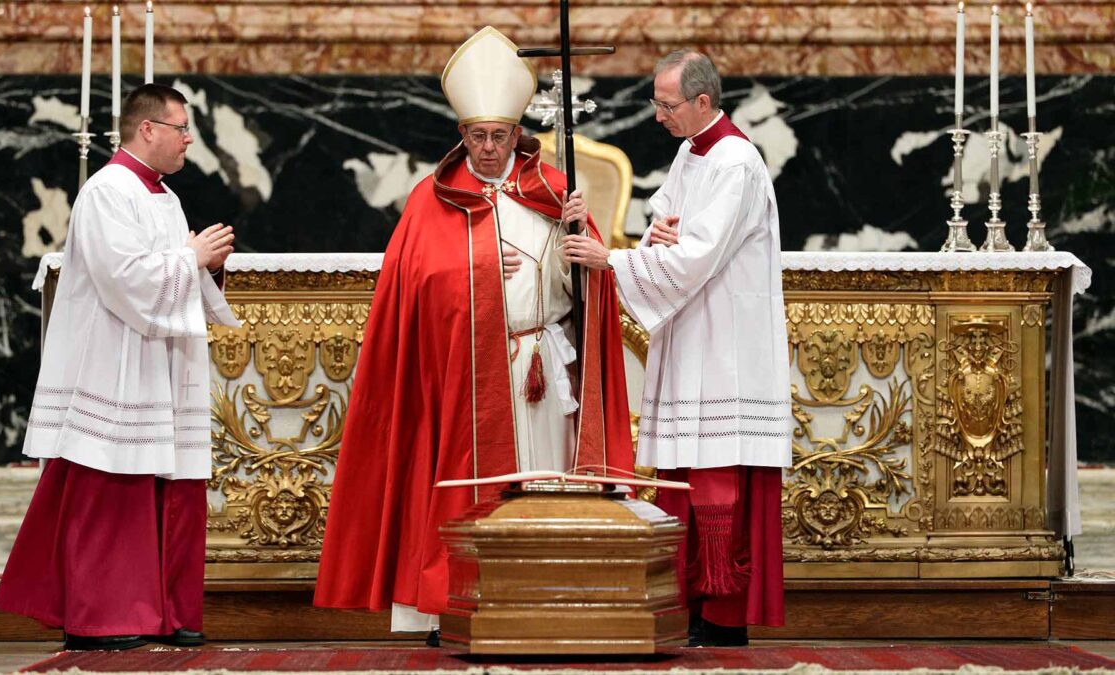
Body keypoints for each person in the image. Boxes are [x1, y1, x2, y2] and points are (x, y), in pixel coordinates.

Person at [313, 26, 634, 645]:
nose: (488, 148)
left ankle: (547, 601)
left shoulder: (556, 193)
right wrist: (478, 270)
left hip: (545, 367)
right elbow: (415, 295)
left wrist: (581, 255)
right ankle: (452, 605)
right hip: (465, 377)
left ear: (519, 133)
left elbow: (588, 289)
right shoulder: (431, 200)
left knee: (541, 490)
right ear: (461, 135)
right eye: (477, 136)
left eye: (500, 135)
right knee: (470, 493)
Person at [0, 83, 240, 651]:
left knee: (167, 483)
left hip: (157, 361)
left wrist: (204, 267)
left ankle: (163, 611)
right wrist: (191, 258)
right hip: (116, 363)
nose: (188, 139)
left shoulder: (163, 196)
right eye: (180, 128)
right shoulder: (106, 191)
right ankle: (104, 615)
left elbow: (168, 271)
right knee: (114, 485)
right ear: (146, 129)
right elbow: (123, 278)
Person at [562, 51, 790, 647]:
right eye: (657, 104)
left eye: (667, 105)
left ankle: (722, 612)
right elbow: (668, 218)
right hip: (691, 331)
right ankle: (688, 601)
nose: (658, 116)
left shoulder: (737, 161)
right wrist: (656, 232)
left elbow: (697, 256)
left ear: (703, 102)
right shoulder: (694, 150)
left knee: (716, 473)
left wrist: (612, 258)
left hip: (725, 342)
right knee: (683, 472)